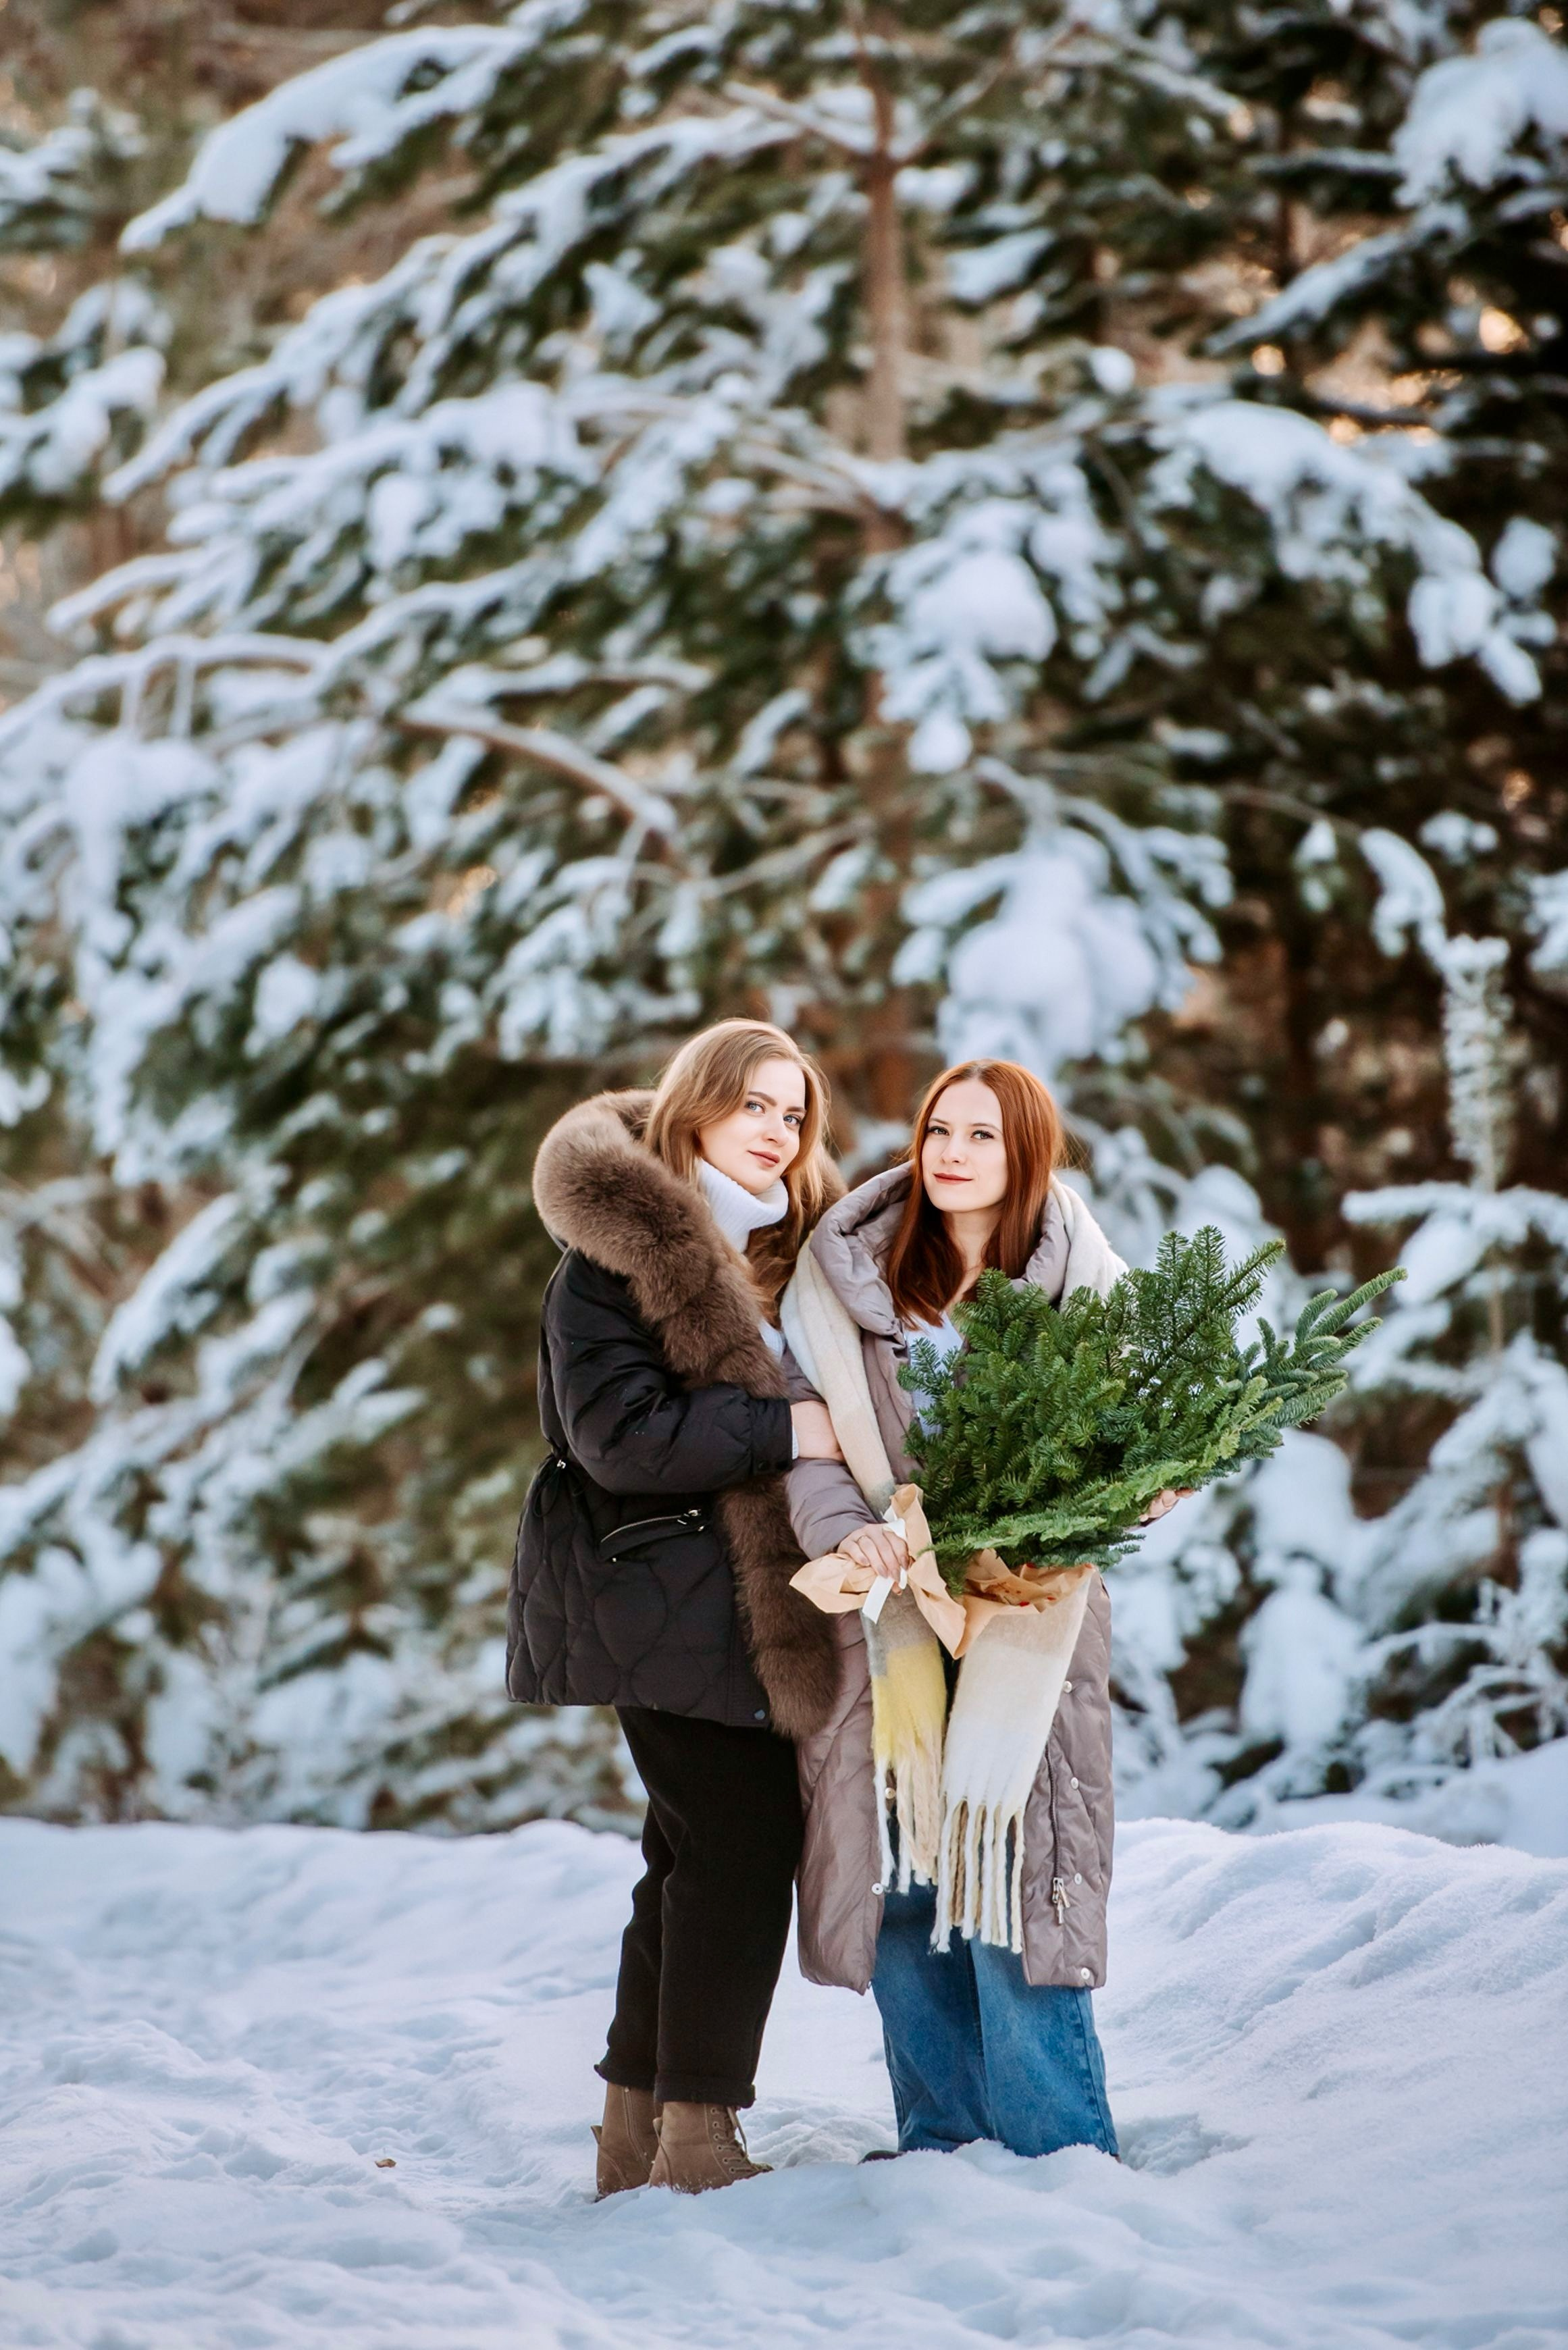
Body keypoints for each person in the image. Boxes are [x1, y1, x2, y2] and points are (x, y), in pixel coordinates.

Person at [783, 1060, 1175, 2162]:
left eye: (981, 1138)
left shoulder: (1086, 1286)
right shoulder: (837, 1283)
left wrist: (1138, 1478)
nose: (949, 1154)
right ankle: (942, 2141)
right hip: (891, 1612)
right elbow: (809, 1442)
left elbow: (1129, 1443)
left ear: (1027, 1156)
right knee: (907, 1874)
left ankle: (1057, 2151)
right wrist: (841, 1532)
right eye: (937, 1130)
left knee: (1018, 1860)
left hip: (1024, 1614)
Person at [508, 1019, 845, 2195]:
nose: (776, 1131)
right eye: (754, 1105)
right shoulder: (618, 1254)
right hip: (661, 1593)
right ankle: (700, 2141)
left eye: (793, 1114)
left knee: (686, 1857)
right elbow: (620, 1440)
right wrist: (787, 1427)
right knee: (739, 1853)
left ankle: (632, 2136)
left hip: (730, 1601)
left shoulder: (774, 1253)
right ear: (694, 1107)